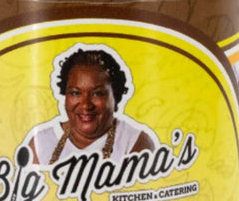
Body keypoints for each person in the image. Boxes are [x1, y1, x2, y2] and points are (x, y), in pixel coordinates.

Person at [26, 48, 157, 164]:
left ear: (115, 97)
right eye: (75, 93)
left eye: (97, 94)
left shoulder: (135, 141)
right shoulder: (41, 143)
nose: (86, 105)